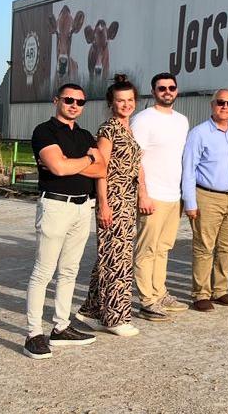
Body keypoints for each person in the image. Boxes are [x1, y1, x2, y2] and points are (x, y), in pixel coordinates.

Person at [23, 83, 106, 359]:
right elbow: (58, 168)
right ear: (56, 100)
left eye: (80, 102)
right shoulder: (44, 131)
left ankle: (61, 327)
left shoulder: (84, 134)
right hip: (56, 206)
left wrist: (72, 162)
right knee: (43, 272)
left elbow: (102, 168)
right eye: (69, 100)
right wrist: (86, 159)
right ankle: (34, 334)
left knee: (69, 271)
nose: (74, 105)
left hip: (83, 207)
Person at [77, 75, 142, 337]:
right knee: (117, 259)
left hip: (128, 199)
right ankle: (115, 318)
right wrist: (103, 204)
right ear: (111, 103)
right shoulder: (109, 130)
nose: (126, 105)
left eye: (130, 100)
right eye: (120, 100)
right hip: (114, 199)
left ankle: (91, 311)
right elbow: (100, 169)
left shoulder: (129, 129)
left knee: (111, 255)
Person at [130, 72, 190, 322]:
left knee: (163, 248)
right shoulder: (143, 120)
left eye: (171, 87)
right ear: (154, 91)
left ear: (177, 90)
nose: (167, 91)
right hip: (152, 195)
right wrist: (143, 194)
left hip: (173, 195)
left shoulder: (182, 121)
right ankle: (147, 301)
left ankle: (159, 292)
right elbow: (134, 160)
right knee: (147, 249)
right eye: (162, 88)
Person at [182, 89, 228, 312]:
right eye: (221, 102)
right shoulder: (199, 133)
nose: (225, 107)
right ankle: (201, 293)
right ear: (212, 105)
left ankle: (220, 289)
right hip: (207, 196)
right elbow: (188, 169)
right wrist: (190, 202)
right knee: (204, 246)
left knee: (227, 246)